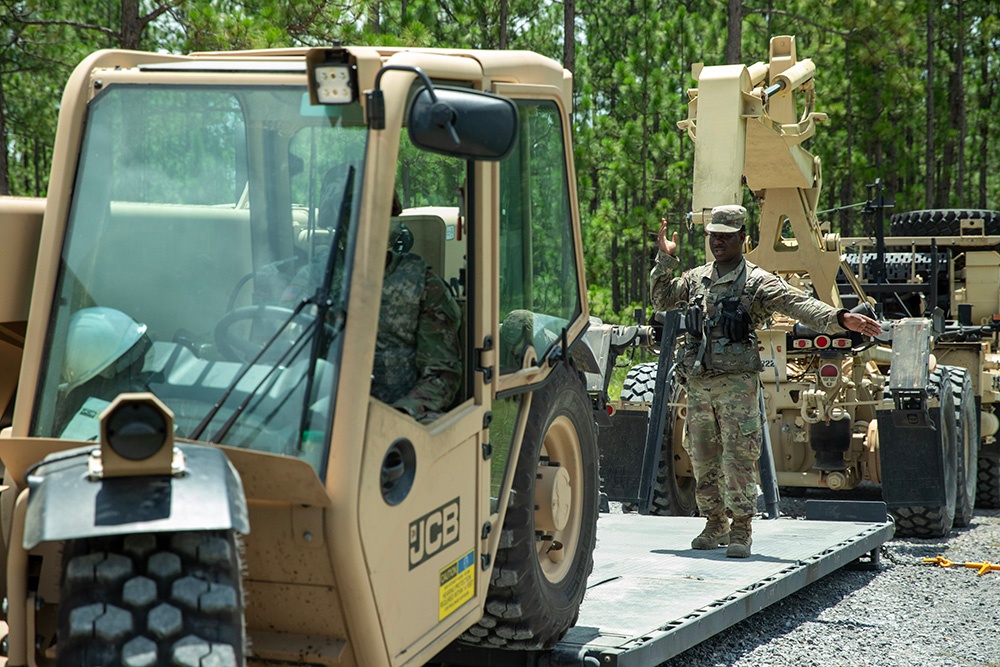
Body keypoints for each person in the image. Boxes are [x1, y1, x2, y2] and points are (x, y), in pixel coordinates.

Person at [649, 204, 882, 558]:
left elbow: (798, 304)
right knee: (702, 456)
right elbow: (662, 300)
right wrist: (665, 261)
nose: (719, 242)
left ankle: (741, 528)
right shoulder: (697, 278)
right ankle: (715, 523)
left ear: (743, 238)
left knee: (739, 458)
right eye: (714, 236)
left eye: (727, 236)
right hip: (698, 383)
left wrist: (839, 317)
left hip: (737, 383)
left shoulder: (757, 281)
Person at [281, 192, 462, 423]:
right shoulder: (315, 276)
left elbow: (441, 374)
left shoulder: (421, 282)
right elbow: (279, 344)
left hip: (396, 420)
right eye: (349, 216)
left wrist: (400, 415)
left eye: (373, 215)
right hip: (323, 416)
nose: (361, 226)